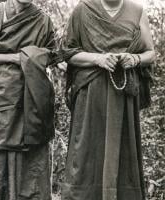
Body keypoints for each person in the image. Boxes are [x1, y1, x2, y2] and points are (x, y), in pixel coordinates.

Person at [62, 0, 155, 200]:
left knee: (122, 154)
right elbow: (68, 53)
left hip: (122, 99)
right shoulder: (82, 9)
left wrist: (135, 59)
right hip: (90, 96)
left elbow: (150, 53)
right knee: (85, 153)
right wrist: (98, 59)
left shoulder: (137, 11)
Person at [0, 0, 56, 199]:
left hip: (34, 95)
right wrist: (15, 58)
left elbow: (52, 55)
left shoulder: (43, 20)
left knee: (33, 147)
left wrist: (33, 57)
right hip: (3, 96)